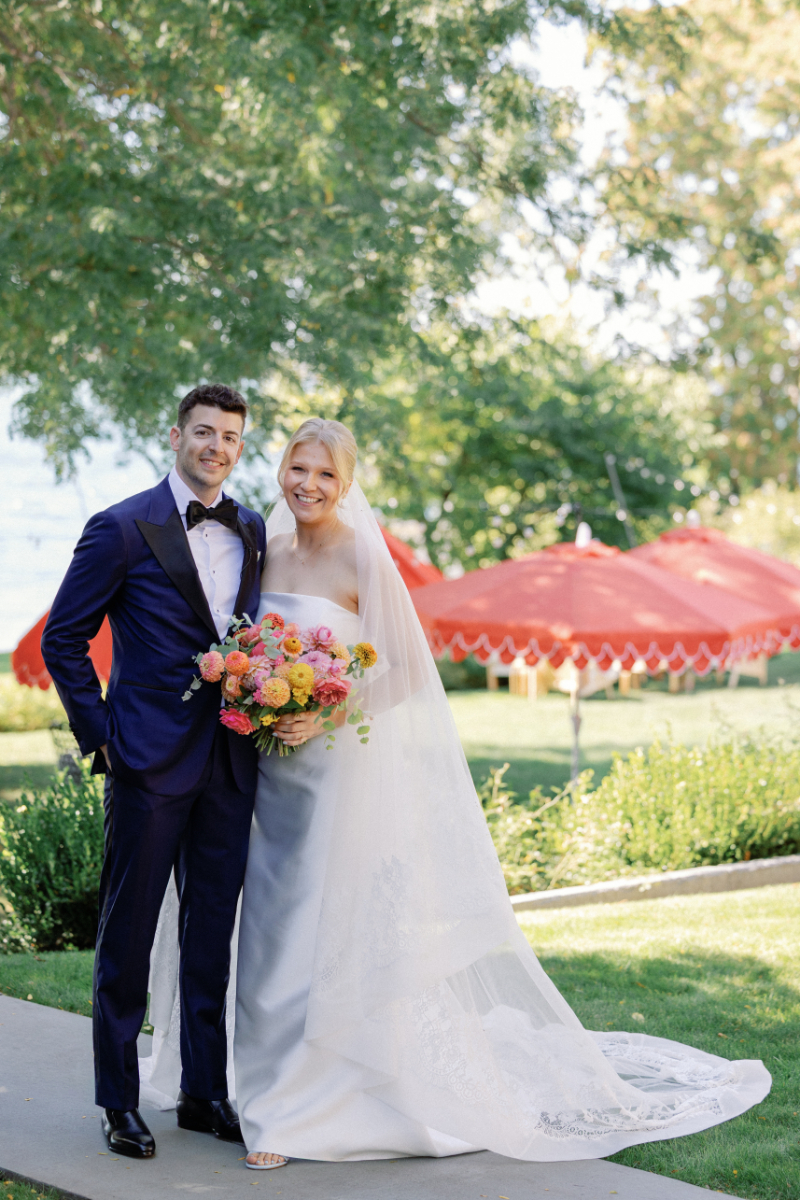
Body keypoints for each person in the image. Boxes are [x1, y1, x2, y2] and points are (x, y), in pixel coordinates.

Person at [144, 418, 770, 1171]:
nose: (308, 485)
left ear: (347, 484)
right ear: (281, 471)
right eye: (298, 469)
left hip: (334, 774)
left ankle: (297, 1111)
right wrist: (255, 692)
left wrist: (326, 712)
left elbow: (406, 670)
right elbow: (238, 641)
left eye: (326, 474)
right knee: (265, 930)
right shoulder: (263, 548)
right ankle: (260, 1086)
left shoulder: (360, 556)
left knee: (318, 927)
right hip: (264, 775)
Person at [42, 384, 267, 1160]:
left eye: (230, 437)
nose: (216, 447)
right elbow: (63, 639)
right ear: (175, 437)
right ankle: (118, 1102)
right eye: (204, 432)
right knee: (128, 937)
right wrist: (102, 739)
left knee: (211, 937)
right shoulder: (119, 528)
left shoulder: (252, 528)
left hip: (229, 762)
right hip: (144, 762)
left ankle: (203, 1092)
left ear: (240, 448)